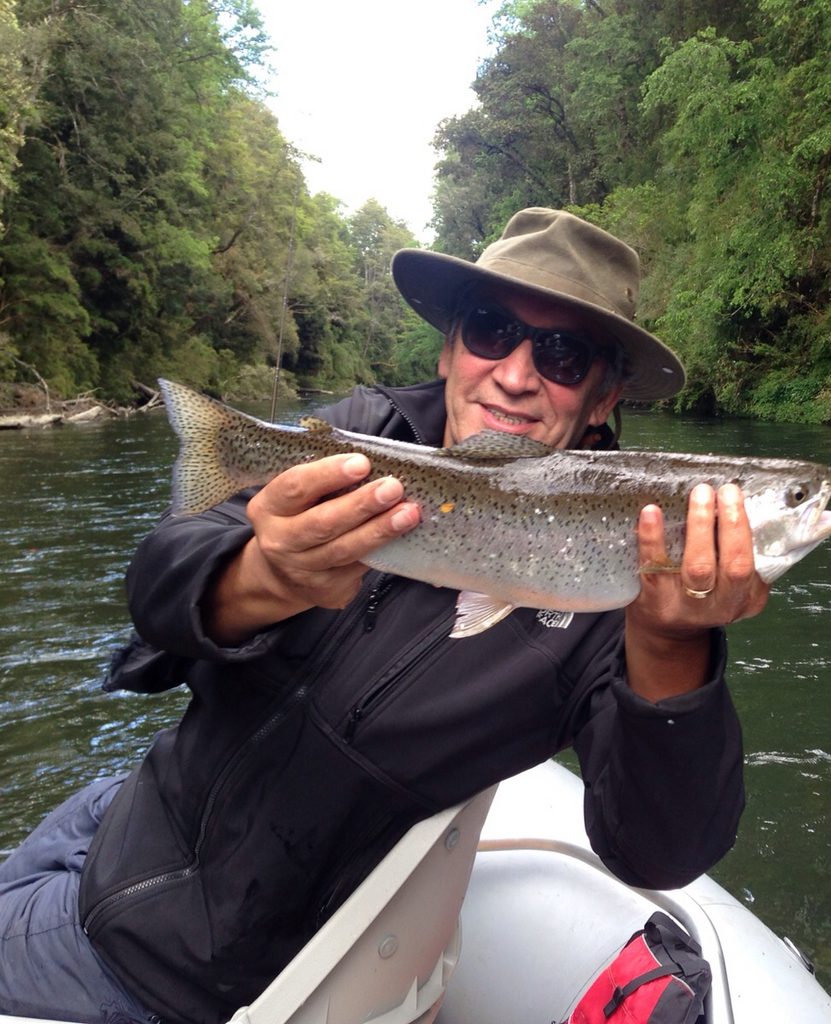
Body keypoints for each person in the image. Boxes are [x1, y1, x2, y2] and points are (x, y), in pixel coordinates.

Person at [0, 208, 770, 1024]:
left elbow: (660, 851)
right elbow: (154, 596)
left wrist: (673, 643)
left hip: (171, 964)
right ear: (448, 348)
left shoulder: (614, 587)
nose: (515, 374)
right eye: (490, 330)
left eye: (561, 354)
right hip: (123, 812)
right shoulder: (367, 435)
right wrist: (261, 576)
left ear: (603, 395)